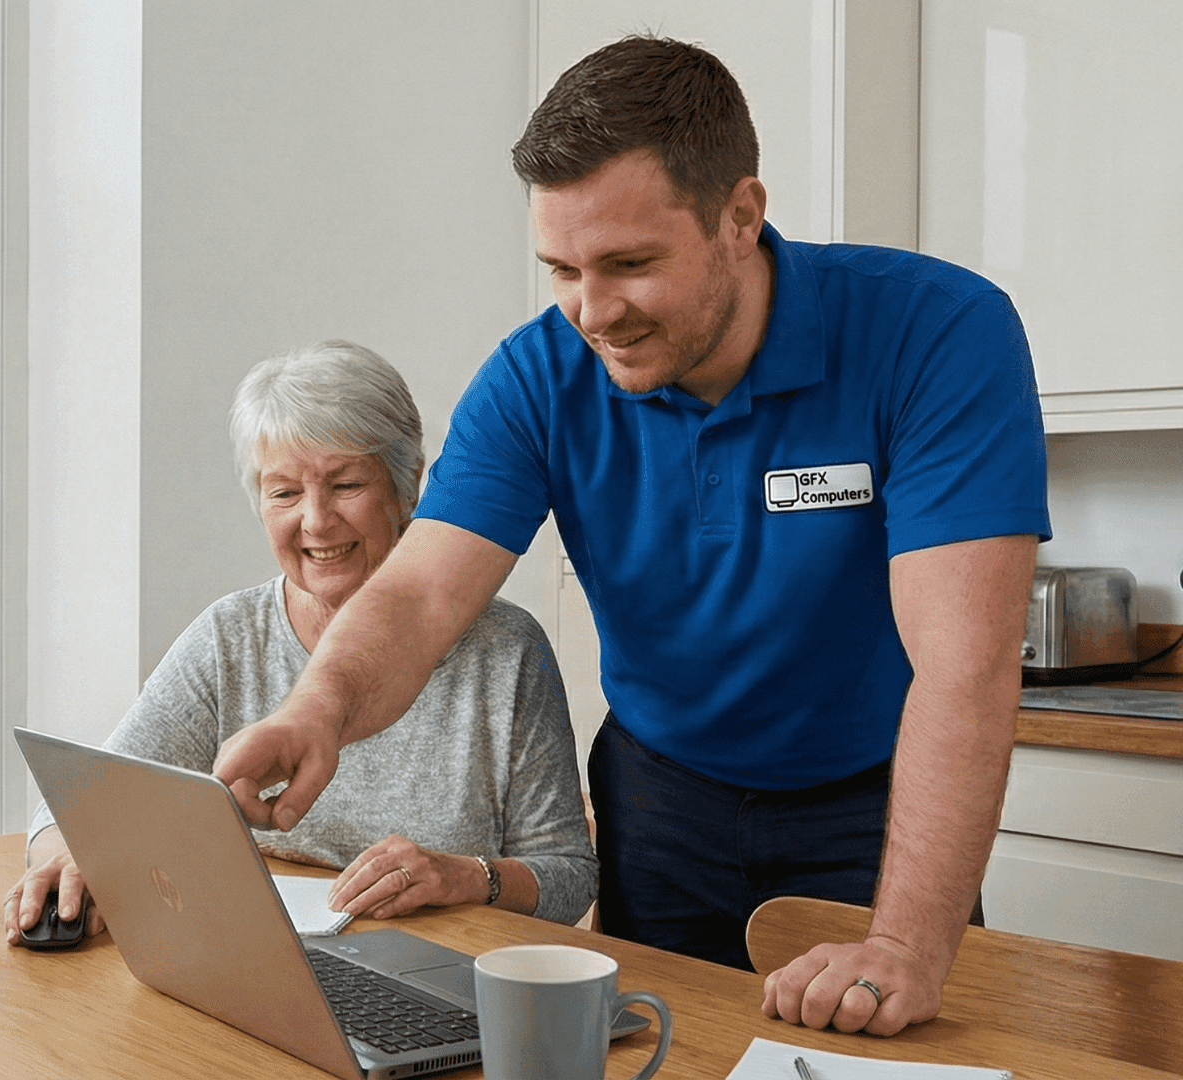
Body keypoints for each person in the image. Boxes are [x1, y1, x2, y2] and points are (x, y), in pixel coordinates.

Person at [212, 37, 1048, 1039]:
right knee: (665, 1053)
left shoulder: (936, 332)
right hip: (662, 803)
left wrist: (909, 947)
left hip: (874, 804)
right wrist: (318, 713)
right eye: (562, 268)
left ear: (741, 217)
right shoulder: (538, 374)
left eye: (630, 264)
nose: (592, 311)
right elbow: (423, 589)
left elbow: (966, 667)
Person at [4, 341, 597, 943]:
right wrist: (63, 858)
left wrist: (469, 877)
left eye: (345, 485)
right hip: (264, 964)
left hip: (441, 973)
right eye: (284, 493)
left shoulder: (506, 650)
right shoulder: (229, 638)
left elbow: (570, 877)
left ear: (407, 487)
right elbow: (76, 807)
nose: (315, 521)